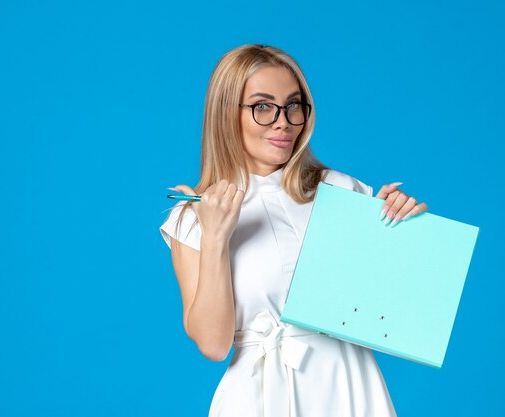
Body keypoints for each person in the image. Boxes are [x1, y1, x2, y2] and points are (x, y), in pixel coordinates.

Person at [158, 44, 427, 417]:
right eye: (262, 107)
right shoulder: (194, 216)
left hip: (350, 389)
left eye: (293, 105)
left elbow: (389, 314)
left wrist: (394, 229)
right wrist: (216, 236)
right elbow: (213, 345)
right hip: (255, 399)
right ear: (225, 115)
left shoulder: (342, 191)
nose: (283, 122)